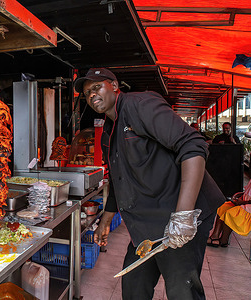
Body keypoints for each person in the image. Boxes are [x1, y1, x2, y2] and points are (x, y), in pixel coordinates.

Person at [74, 68, 225, 299]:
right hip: (145, 225)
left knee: (181, 289)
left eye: (96, 87)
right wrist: (107, 217)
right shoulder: (107, 131)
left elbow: (193, 145)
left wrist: (183, 216)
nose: (91, 95)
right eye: (86, 93)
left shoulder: (140, 104)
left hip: (180, 213)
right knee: (134, 286)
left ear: (114, 86)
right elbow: (117, 176)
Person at [207, 181, 251, 247]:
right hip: (244, 203)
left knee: (231, 213)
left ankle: (224, 240)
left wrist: (243, 202)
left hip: (248, 208)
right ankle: (215, 236)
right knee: (223, 207)